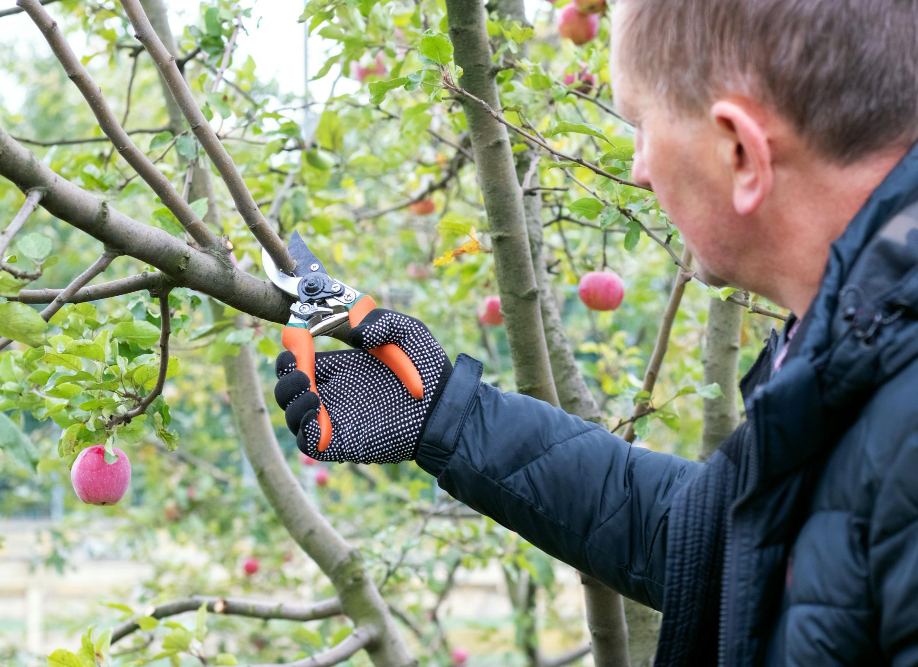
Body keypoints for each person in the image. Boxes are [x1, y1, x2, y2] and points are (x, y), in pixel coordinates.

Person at [273, 1, 918, 663]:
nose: (637, 169)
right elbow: (714, 543)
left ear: (740, 152)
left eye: (640, 124)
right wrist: (449, 415)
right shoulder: (859, 353)